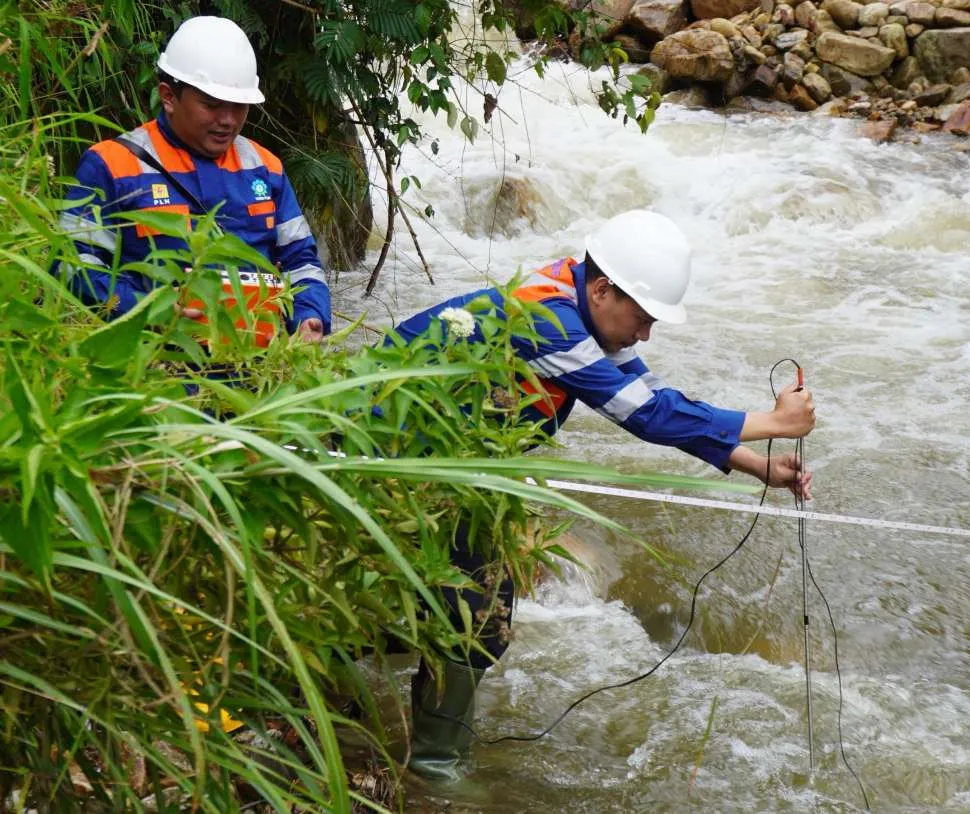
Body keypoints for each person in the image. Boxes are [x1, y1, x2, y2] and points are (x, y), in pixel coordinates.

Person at [385, 209, 816, 782]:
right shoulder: (545, 319)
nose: (644, 335)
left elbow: (652, 395)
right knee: (474, 614)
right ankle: (434, 768)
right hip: (386, 462)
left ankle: (428, 748)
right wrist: (772, 421)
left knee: (480, 613)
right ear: (604, 289)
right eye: (642, 319)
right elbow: (643, 415)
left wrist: (750, 463)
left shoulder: (578, 303)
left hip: (448, 470)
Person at [56, 16, 329, 342]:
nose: (228, 121)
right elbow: (72, 267)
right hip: (156, 364)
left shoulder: (265, 168)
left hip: (258, 372)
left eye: (239, 106)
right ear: (169, 96)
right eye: (212, 105)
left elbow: (302, 263)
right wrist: (149, 308)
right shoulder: (111, 165)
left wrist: (310, 315)